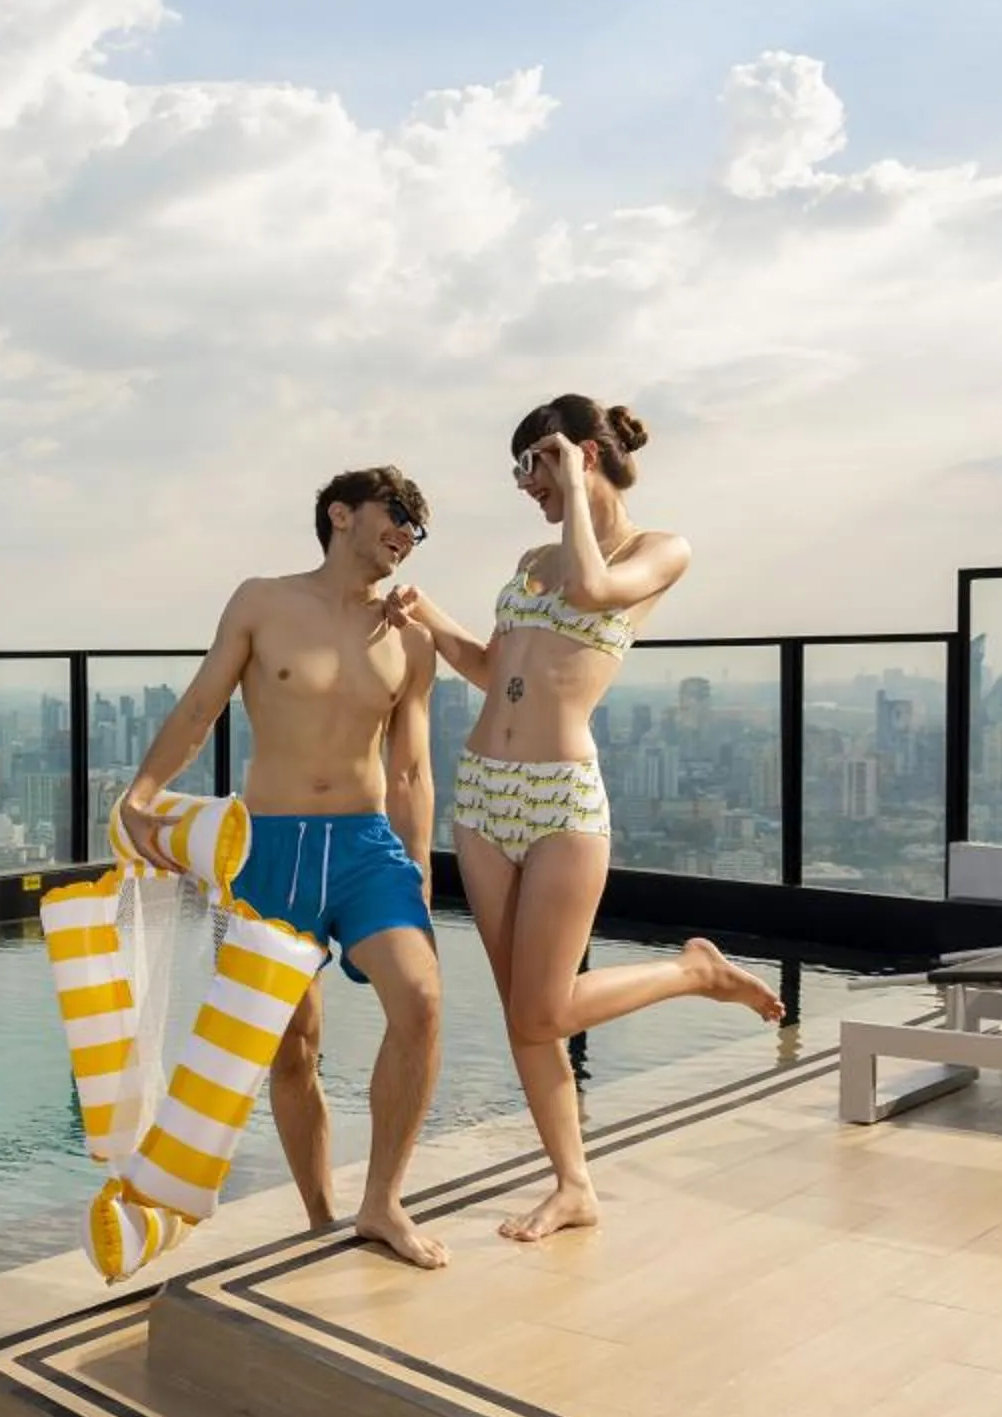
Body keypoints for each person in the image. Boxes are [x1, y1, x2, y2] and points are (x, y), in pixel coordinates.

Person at [387, 396, 783, 1245]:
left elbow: (594, 589)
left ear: (583, 454)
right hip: (485, 795)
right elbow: (495, 670)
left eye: (535, 462)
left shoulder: (658, 550)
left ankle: (693, 974)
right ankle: (573, 1185)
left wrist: (571, 481)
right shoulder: (533, 556)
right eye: (523, 468)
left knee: (545, 1007)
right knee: (524, 1015)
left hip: (562, 797)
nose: (527, 484)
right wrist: (430, 616)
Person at [118, 466, 449, 1269]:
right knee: (294, 1044)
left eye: (420, 527)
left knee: (422, 1000)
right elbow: (200, 708)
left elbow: (409, 768)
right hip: (271, 847)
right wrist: (141, 794)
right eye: (397, 514)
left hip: (368, 848)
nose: (408, 534)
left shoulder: (409, 637)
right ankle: (319, 1213)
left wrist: (419, 865)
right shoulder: (262, 602)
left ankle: (383, 1203)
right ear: (341, 514)